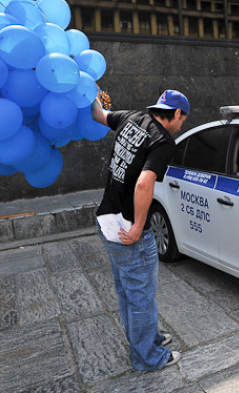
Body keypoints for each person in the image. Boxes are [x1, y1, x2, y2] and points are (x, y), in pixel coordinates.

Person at [91, 89, 190, 371]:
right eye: (183, 119)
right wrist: (137, 226)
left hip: (106, 221)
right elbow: (145, 183)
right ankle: (148, 357)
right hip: (126, 228)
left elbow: (98, 114)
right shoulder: (163, 141)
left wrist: (89, 90)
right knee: (141, 294)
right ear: (177, 114)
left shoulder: (131, 117)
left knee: (127, 291)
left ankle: (147, 338)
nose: (182, 124)